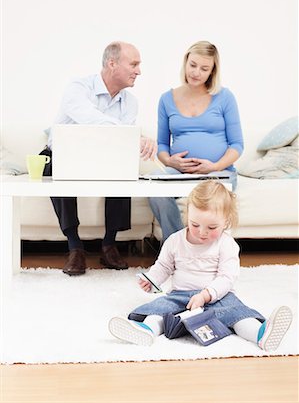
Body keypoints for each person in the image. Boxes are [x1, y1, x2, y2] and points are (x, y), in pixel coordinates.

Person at [109, 181, 293, 350]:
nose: (202, 233)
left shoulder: (227, 245)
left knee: (238, 315)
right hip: (179, 296)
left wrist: (205, 295)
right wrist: (152, 280)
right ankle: (146, 330)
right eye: (195, 224)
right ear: (188, 215)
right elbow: (164, 266)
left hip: (217, 297)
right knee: (159, 310)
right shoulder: (175, 241)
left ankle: (260, 334)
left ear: (226, 221)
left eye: (211, 228)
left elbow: (226, 278)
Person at [40, 41, 156, 276]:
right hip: (62, 155)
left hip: (105, 156)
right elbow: (90, 119)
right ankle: (75, 248)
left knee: (124, 168)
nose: (139, 71)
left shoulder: (130, 102)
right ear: (112, 63)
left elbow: (121, 141)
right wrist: (132, 135)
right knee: (56, 166)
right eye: (133, 64)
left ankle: (109, 244)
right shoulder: (78, 88)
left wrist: (135, 137)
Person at [148, 41, 244, 242]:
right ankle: (175, 246)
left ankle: (205, 250)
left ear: (212, 71)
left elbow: (237, 145)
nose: (196, 72)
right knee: (154, 186)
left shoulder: (225, 97)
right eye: (193, 65)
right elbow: (162, 145)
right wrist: (170, 161)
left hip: (218, 171)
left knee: (211, 202)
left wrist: (214, 166)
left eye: (204, 68)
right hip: (179, 170)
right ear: (185, 62)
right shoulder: (167, 99)